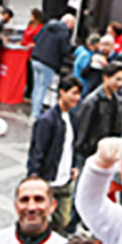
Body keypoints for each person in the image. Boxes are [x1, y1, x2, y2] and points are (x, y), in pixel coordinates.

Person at [28, 76, 83, 231]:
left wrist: (73, 166)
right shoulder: (47, 120)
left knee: (63, 220)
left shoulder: (73, 118)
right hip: (48, 179)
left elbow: (72, 146)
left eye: (78, 94)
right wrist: (34, 176)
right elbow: (38, 150)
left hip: (65, 179)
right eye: (73, 93)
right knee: (39, 220)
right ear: (62, 92)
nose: (77, 98)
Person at [72, 58, 122, 161]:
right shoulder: (92, 102)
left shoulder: (118, 100)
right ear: (106, 78)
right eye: (117, 79)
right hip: (91, 155)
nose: (120, 84)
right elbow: (81, 134)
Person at [27, 12, 74, 122]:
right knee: (43, 88)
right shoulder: (64, 32)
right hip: (49, 63)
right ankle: (35, 115)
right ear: (67, 22)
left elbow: (36, 38)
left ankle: (34, 110)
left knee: (37, 87)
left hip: (36, 59)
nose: (72, 27)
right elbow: (65, 50)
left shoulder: (47, 26)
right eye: (72, 24)